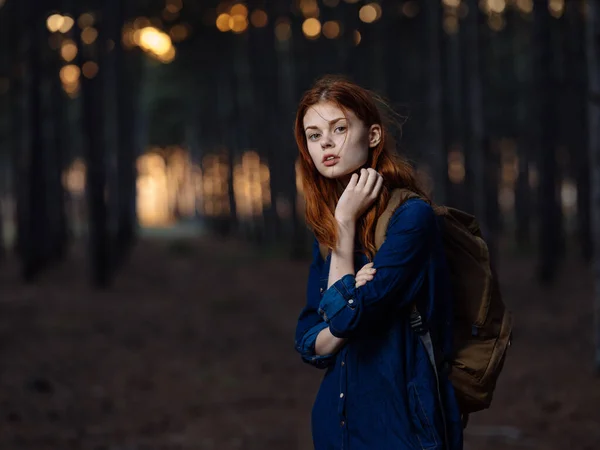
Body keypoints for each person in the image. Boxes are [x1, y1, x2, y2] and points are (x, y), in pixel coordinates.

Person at [293, 76, 463, 450]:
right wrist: (349, 283)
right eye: (314, 135)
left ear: (372, 136)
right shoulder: (329, 226)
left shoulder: (411, 218)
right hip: (335, 430)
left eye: (339, 128)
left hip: (401, 428)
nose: (326, 143)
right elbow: (307, 339)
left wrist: (344, 228)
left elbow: (340, 320)